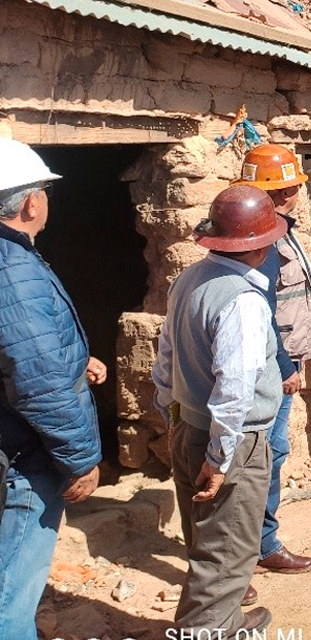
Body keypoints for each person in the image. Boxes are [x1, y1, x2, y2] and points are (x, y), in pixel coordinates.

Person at [152, 185, 285, 634]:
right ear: (260, 245)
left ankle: (227, 623)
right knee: (225, 554)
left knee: (205, 539)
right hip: (232, 441)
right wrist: (220, 455)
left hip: (189, 426)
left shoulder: (189, 279)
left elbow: (165, 356)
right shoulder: (242, 301)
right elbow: (235, 387)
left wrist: (172, 415)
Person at [0, 139, 105, 640]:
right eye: (43, 190)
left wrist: (75, 359)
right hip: (23, 458)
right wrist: (81, 458)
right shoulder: (15, 271)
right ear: (29, 202)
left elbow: (21, 348)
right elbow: (35, 381)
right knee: (9, 596)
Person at [231, 144, 311, 581]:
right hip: (271, 366)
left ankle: (258, 544)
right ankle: (251, 551)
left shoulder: (281, 229)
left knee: (269, 453)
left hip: (283, 359)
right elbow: (261, 309)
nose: (293, 194)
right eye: (287, 187)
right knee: (261, 456)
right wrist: (286, 367)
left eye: (291, 187)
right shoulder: (262, 241)